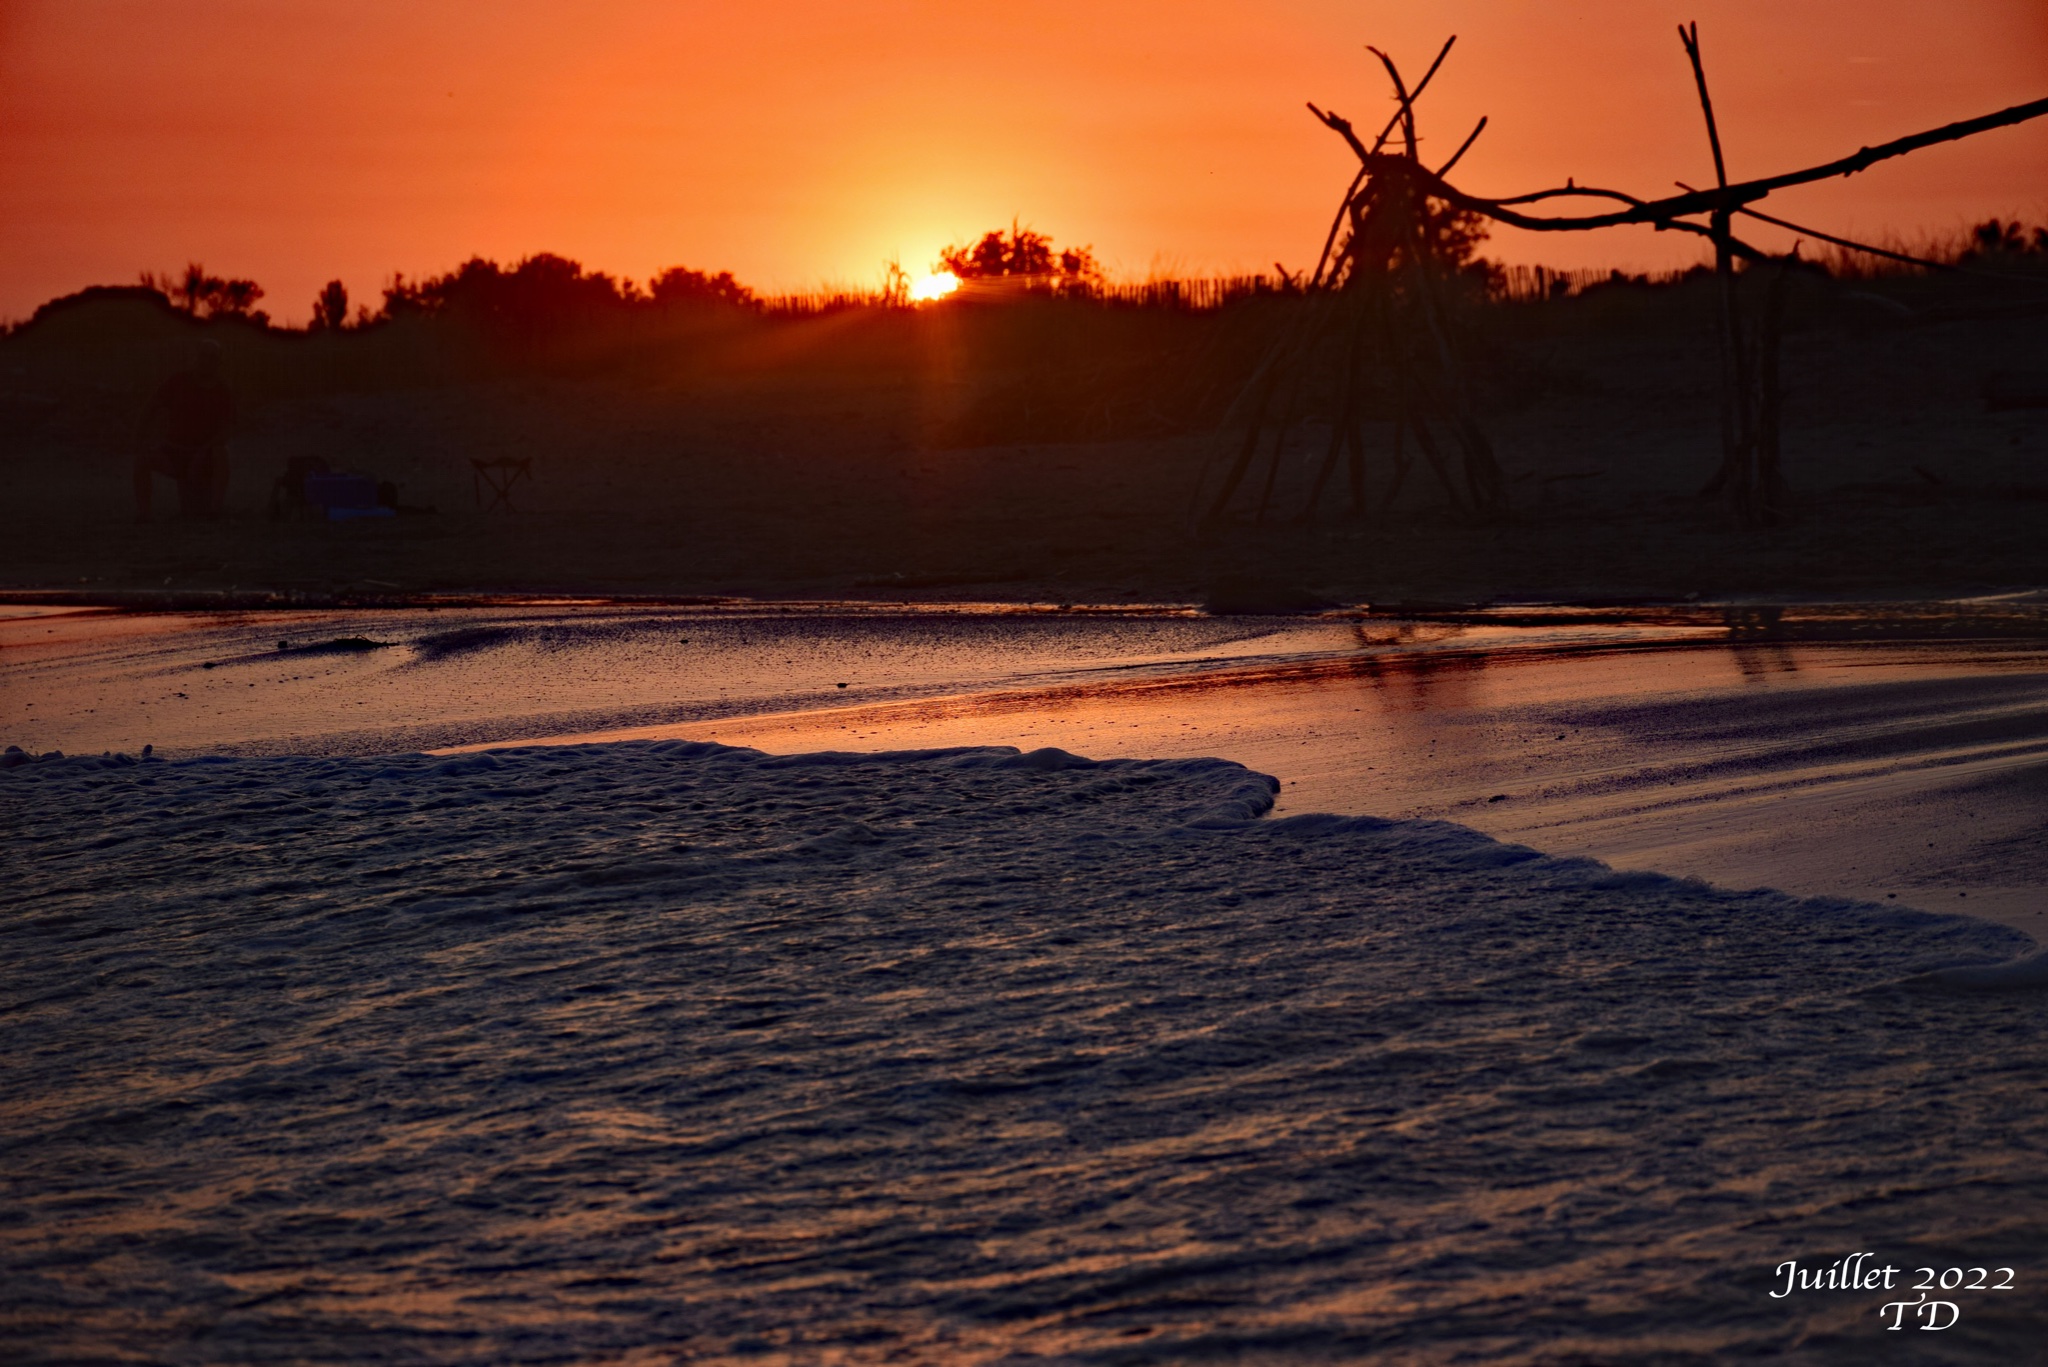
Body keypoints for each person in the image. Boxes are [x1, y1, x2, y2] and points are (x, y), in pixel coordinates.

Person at [134, 340, 233, 520]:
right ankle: (144, 514)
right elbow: (150, 407)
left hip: (204, 455)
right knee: (143, 458)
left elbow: (226, 431)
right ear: (196, 358)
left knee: (222, 454)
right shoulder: (178, 382)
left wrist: (204, 451)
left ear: (219, 362)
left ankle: (215, 511)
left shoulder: (223, 391)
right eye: (203, 356)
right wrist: (140, 437)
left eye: (213, 358)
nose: (207, 361)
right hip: (174, 452)